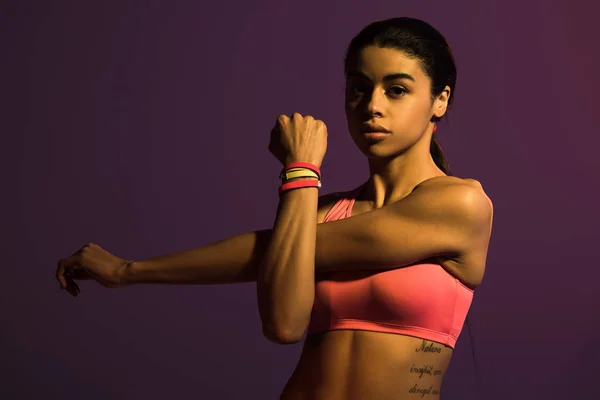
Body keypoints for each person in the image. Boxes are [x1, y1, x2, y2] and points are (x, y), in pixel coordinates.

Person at [56, 17, 493, 400]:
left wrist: (301, 170)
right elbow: (283, 325)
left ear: (440, 100)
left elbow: (274, 250)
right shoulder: (316, 211)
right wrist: (125, 271)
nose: (372, 106)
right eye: (358, 89)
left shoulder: (458, 204)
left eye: (396, 90)